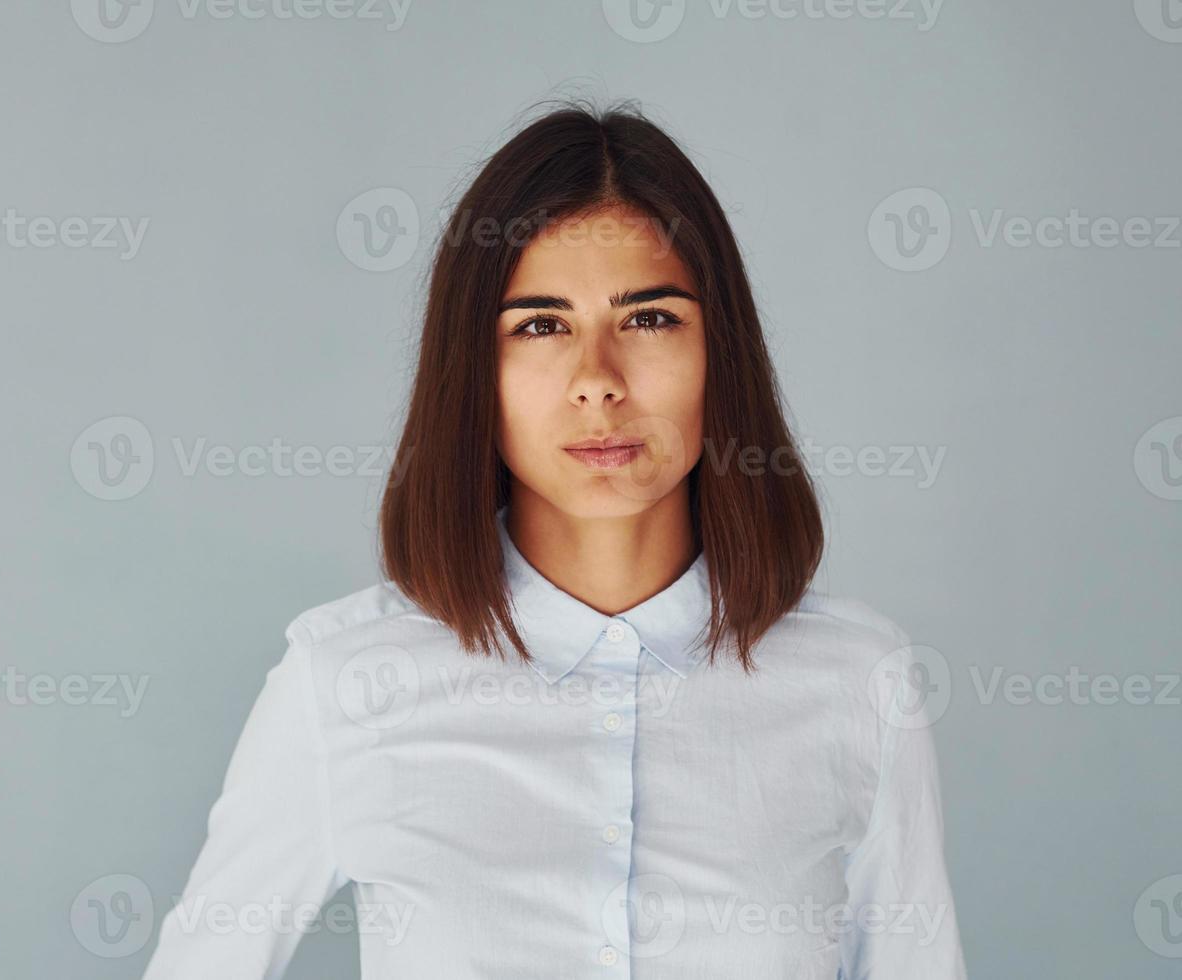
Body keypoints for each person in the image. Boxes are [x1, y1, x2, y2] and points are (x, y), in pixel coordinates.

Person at [141, 99, 968, 979]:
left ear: (720, 352)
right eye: (541, 326)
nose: (597, 383)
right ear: (474, 373)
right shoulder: (343, 684)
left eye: (649, 319)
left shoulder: (858, 683)